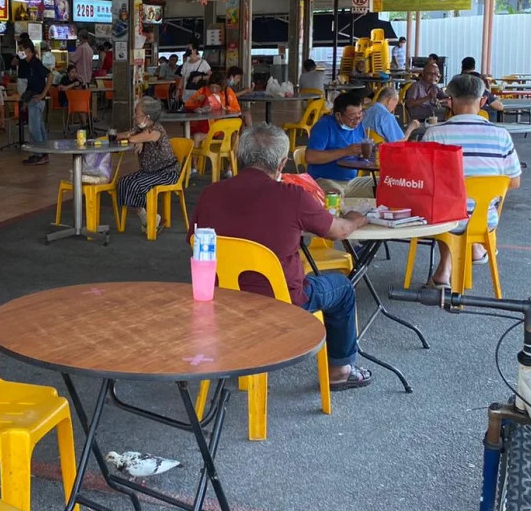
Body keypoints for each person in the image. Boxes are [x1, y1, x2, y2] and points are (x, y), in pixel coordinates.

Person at [190, 123, 372, 390]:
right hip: (283, 302)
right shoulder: (293, 196)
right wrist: (357, 220)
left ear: (241, 156)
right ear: (282, 163)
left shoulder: (209, 194)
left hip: (222, 300)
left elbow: (195, 244)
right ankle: (340, 370)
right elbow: (338, 231)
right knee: (342, 287)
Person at [421, 73, 522, 287]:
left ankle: (445, 270)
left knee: (444, 204)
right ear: (483, 100)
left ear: (450, 101)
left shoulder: (434, 133)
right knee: (464, 208)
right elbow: (514, 182)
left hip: (444, 219)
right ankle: (475, 248)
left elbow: (423, 180)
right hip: (485, 219)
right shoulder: (501, 134)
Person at [114, 97, 180, 232]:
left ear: (147, 117)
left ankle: (150, 216)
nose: (134, 117)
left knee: (137, 184)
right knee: (123, 182)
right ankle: (146, 216)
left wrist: (139, 139)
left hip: (166, 173)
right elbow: (123, 135)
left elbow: (131, 137)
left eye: (137, 114)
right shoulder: (142, 129)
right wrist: (139, 139)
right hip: (150, 171)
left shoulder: (156, 130)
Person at [305, 89, 368, 193]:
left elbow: (361, 156)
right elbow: (310, 157)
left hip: (351, 182)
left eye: (360, 114)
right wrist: (346, 151)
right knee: (335, 194)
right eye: (352, 116)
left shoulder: (358, 125)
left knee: (382, 184)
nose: (357, 120)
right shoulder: (324, 126)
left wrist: (367, 153)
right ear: (338, 115)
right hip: (324, 180)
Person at [183, 70, 240, 144]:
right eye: (212, 87)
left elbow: (237, 109)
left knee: (235, 136)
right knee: (196, 137)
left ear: (222, 86)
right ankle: (195, 156)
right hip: (206, 128)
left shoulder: (227, 92)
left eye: (217, 87)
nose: (214, 90)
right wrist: (198, 102)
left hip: (223, 128)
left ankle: (233, 155)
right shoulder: (203, 90)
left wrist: (226, 108)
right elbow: (187, 104)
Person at [19, 36, 50, 165]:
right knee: (40, 128)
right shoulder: (28, 65)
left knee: (34, 128)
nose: (20, 53)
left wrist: (43, 94)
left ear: (29, 51)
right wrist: (25, 102)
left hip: (37, 100)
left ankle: (39, 154)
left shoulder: (36, 63)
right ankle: (43, 152)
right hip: (32, 98)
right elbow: (30, 85)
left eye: (22, 50)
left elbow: (50, 75)